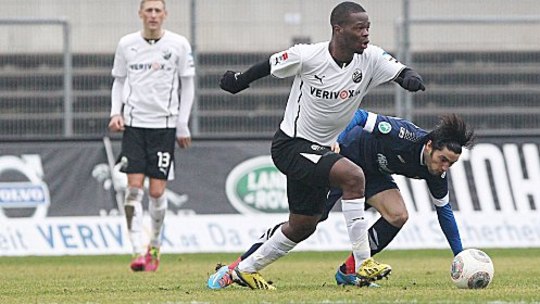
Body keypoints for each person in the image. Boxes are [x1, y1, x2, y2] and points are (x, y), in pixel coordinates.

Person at [213, 1, 425, 289]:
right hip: (291, 145)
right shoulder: (308, 56)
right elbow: (270, 64)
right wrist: (239, 81)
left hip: (321, 151)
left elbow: (400, 70)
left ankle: (245, 270)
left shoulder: (371, 58)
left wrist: (410, 79)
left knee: (302, 225)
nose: (366, 34)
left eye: (368, 28)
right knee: (353, 176)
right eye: (359, 28)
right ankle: (363, 263)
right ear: (338, 30)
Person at [207, 109, 475, 289]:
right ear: (429, 146)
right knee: (305, 223)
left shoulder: (437, 173)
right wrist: (337, 140)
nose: (444, 168)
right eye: (443, 160)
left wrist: (459, 255)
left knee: (398, 214)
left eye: (450, 164)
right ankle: (236, 268)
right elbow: (358, 115)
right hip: (345, 161)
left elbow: (445, 212)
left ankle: (349, 271)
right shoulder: (403, 134)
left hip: (371, 173)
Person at [108, 0, 195, 272]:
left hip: (164, 126)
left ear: (165, 15)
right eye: (149, 10)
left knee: (156, 191)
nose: (153, 15)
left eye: (158, 10)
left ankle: (154, 246)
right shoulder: (126, 44)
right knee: (133, 190)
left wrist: (182, 124)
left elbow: (188, 83)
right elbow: (119, 80)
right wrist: (115, 112)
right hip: (134, 125)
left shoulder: (178, 45)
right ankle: (137, 251)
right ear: (141, 14)